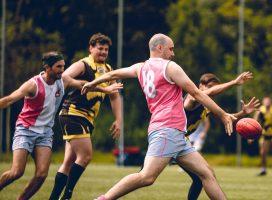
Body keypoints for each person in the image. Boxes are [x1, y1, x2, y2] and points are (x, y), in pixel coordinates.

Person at [82, 33, 237, 200]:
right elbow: (196, 93)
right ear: (160, 47)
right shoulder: (170, 67)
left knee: (206, 174)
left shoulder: (140, 67)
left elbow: (113, 74)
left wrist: (92, 83)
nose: (173, 53)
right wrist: (222, 114)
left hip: (176, 134)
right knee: (146, 177)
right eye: (171, 49)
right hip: (166, 130)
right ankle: (104, 199)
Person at [0, 51, 121, 200]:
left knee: (41, 175)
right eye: (59, 67)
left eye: (63, 66)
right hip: (25, 130)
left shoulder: (63, 81)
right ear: (47, 68)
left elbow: (84, 85)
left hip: (45, 133)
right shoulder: (33, 85)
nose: (63, 70)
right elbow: (9, 100)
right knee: (17, 172)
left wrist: (105, 89)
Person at [49, 33, 123, 200]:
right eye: (100, 48)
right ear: (91, 48)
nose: (103, 52)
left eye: (106, 49)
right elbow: (64, 77)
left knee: (69, 160)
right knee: (86, 155)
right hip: (73, 113)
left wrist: (118, 120)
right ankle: (67, 196)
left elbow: (114, 96)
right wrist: (85, 85)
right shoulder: (83, 65)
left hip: (86, 118)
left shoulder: (109, 70)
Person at [182, 72, 260, 200]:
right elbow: (211, 92)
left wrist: (243, 112)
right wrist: (234, 82)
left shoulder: (206, 105)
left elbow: (228, 117)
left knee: (201, 178)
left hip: (181, 141)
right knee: (146, 176)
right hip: (169, 139)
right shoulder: (192, 97)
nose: (213, 90)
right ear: (200, 85)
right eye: (210, 86)